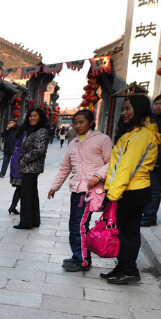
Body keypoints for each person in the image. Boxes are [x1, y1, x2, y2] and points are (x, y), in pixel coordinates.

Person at [100, 95, 161, 284]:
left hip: (131, 190)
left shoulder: (139, 135)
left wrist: (112, 194)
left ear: (139, 109)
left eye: (128, 108)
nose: (124, 113)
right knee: (127, 232)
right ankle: (123, 268)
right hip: (133, 189)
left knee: (124, 233)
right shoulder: (136, 132)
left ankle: (128, 270)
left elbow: (126, 168)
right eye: (123, 109)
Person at [47, 109, 113, 272]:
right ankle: (79, 255)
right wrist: (54, 187)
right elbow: (65, 167)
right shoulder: (73, 143)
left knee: (79, 225)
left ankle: (82, 260)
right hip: (77, 190)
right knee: (75, 224)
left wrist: (98, 176)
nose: (77, 126)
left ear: (90, 122)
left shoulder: (102, 139)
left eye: (81, 122)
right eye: (74, 123)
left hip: (90, 192)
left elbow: (112, 162)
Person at [13, 108, 51, 229]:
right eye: (30, 116)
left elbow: (39, 150)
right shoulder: (34, 130)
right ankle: (34, 220)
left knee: (26, 195)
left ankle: (26, 222)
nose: (32, 118)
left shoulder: (41, 131)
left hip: (31, 167)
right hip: (31, 167)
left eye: (35, 116)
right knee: (32, 194)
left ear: (40, 117)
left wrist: (24, 160)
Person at [141, 94, 161, 226]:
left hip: (157, 162)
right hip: (144, 159)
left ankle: (150, 217)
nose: (158, 106)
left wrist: (157, 161)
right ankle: (144, 213)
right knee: (143, 187)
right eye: (156, 104)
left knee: (154, 189)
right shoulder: (150, 119)